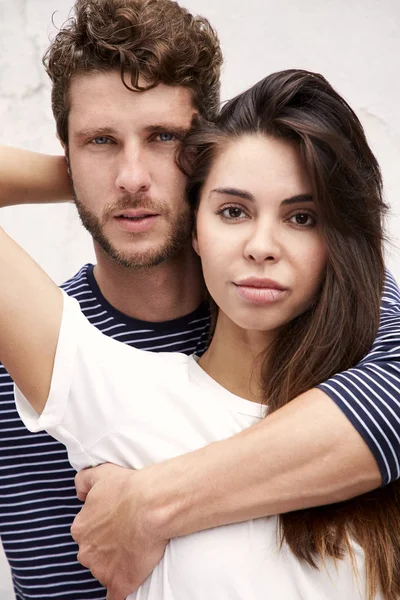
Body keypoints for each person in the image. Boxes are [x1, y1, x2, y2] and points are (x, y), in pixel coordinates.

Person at [0, 1, 400, 599]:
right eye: (100, 140)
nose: (132, 178)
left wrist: (150, 504)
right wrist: (85, 174)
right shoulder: (38, 357)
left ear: (200, 153)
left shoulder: (318, 313)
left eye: (163, 138)